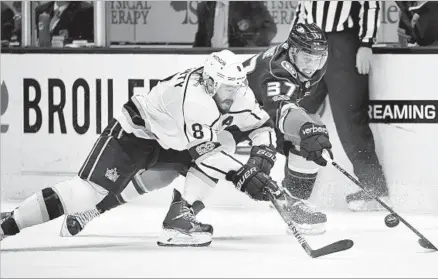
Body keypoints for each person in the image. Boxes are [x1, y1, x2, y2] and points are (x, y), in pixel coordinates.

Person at [1, 50, 316, 247]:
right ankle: (11, 222)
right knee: (85, 192)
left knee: (177, 172)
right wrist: (246, 176)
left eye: (237, 87)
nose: (234, 96)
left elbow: (260, 126)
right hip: (135, 132)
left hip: (174, 139)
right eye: (227, 89)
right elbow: (208, 152)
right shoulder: (195, 101)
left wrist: (262, 157)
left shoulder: (237, 92)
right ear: (210, 84)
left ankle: (178, 220)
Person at [59, 23, 334, 241]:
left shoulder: (297, 64)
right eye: (306, 57)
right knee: (172, 172)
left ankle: (292, 205)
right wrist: (306, 126)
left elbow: (272, 115)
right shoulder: (276, 73)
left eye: (317, 58)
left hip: (247, 119)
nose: (311, 65)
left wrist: (270, 148)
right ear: (291, 52)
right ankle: (117, 211)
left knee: (300, 146)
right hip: (222, 117)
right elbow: (282, 108)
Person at [291, 1, 389, 212]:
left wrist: (366, 43)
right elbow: (301, 11)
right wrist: (292, 46)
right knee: (295, 117)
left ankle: (374, 186)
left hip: (344, 46)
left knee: (350, 119)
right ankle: (294, 188)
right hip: (310, 47)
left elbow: (371, 5)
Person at [193, 1, 277, 47]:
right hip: (212, 61)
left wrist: (250, 48)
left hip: (240, 60)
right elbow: (201, 40)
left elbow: (270, 29)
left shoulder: (250, 3)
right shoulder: (204, 7)